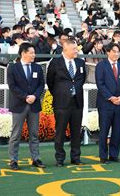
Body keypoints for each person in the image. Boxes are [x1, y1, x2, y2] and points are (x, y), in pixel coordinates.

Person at [46, 39, 87, 167]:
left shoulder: (80, 62)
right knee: (60, 132)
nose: (76, 51)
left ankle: (76, 157)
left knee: (76, 132)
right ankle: (60, 158)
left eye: (76, 49)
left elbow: (82, 78)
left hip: (77, 103)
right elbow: (50, 82)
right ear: (65, 49)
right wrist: (61, 94)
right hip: (61, 104)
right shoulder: (55, 63)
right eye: (74, 49)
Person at [7, 43, 45, 170]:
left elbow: (41, 85)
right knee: (16, 134)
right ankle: (13, 160)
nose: (34, 55)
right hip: (19, 105)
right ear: (23, 53)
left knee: (34, 134)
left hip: (34, 105)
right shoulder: (12, 68)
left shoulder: (37, 68)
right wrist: (25, 97)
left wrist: (34, 96)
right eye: (31, 53)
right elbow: (12, 86)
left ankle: (36, 158)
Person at [95, 43, 120, 164]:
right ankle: (103, 156)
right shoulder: (101, 66)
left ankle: (114, 155)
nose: (116, 54)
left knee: (116, 130)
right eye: (114, 51)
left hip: (119, 103)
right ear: (108, 52)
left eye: (118, 52)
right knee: (104, 130)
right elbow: (100, 84)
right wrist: (110, 97)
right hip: (105, 104)